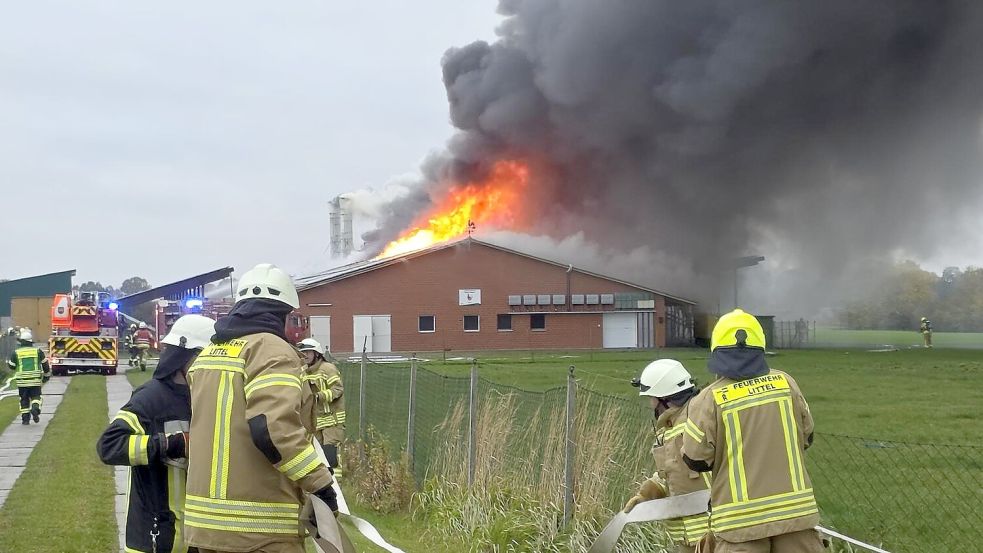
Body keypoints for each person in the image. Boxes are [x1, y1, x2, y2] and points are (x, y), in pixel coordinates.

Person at [184, 263, 337, 553]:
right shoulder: (271, 351)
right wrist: (320, 486)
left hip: (204, 529)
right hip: (260, 530)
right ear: (285, 312)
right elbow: (271, 428)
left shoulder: (209, 354)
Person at [682, 309, 823, 553]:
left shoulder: (708, 399)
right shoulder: (785, 383)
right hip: (796, 518)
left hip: (739, 526)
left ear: (716, 350)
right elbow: (807, 437)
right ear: (760, 346)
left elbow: (695, 459)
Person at [97, 314, 216, 553]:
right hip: (154, 537)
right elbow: (109, 446)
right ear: (185, 358)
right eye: (205, 359)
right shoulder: (150, 399)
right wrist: (170, 444)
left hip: (197, 535)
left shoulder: (205, 398)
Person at [626, 359, 709, 552]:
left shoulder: (694, 425)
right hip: (689, 535)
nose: (650, 403)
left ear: (663, 397)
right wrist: (647, 493)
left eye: (651, 397)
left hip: (711, 534)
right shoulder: (672, 429)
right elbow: (672, 472)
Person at [297, 338, 346, 479]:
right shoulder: (304, 373)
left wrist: (319, 396)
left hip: (332, 421)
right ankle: (323, 484)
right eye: (303, 352)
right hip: (316, 423)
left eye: (308, 352)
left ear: (317, 353)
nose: (305, 355)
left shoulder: (328, 369)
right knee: (317, 455)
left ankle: (336, 486)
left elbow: (338, 389)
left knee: (331, 455)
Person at [6, 328, 50, 425]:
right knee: (36, 397)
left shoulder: (16, 353)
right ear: (30, 342)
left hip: (22, 382)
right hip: (35, 381)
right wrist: (46, 376)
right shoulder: (38, 351)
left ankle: (25, 419)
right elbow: (45, 365)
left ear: (21, 341)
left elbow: (11, 366)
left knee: (24, 400)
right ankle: (35, 409)